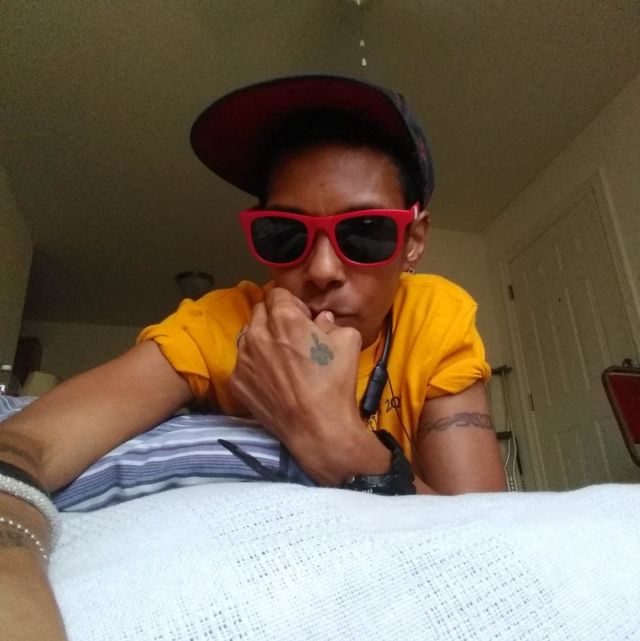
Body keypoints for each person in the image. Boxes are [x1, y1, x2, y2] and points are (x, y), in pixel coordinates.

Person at [0, 75, 505, 638]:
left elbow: (488, 536)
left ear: (413, 242)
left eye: (364, 233)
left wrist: (333, 438)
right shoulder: (221, 322)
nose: (322, 270)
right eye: (284, 235)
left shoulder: (434, 317)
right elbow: (26, 445)